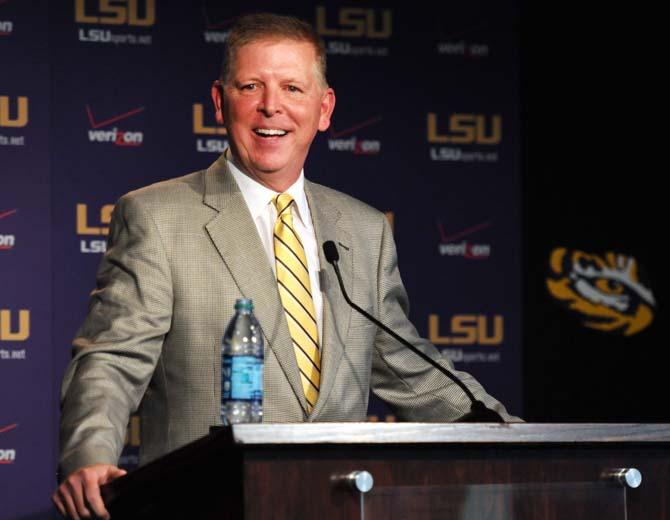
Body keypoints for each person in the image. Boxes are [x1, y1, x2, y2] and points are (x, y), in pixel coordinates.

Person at [52, 12, 518, 519]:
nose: (271, 106)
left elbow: (412, 372)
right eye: (251, 85)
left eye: (292, 88)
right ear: (219, 101)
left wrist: (518, 440)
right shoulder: (158, 218)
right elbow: (112, 360)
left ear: (324, 109)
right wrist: (90, 456)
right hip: (203, 503)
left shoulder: (363, 230)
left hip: (337, 505)